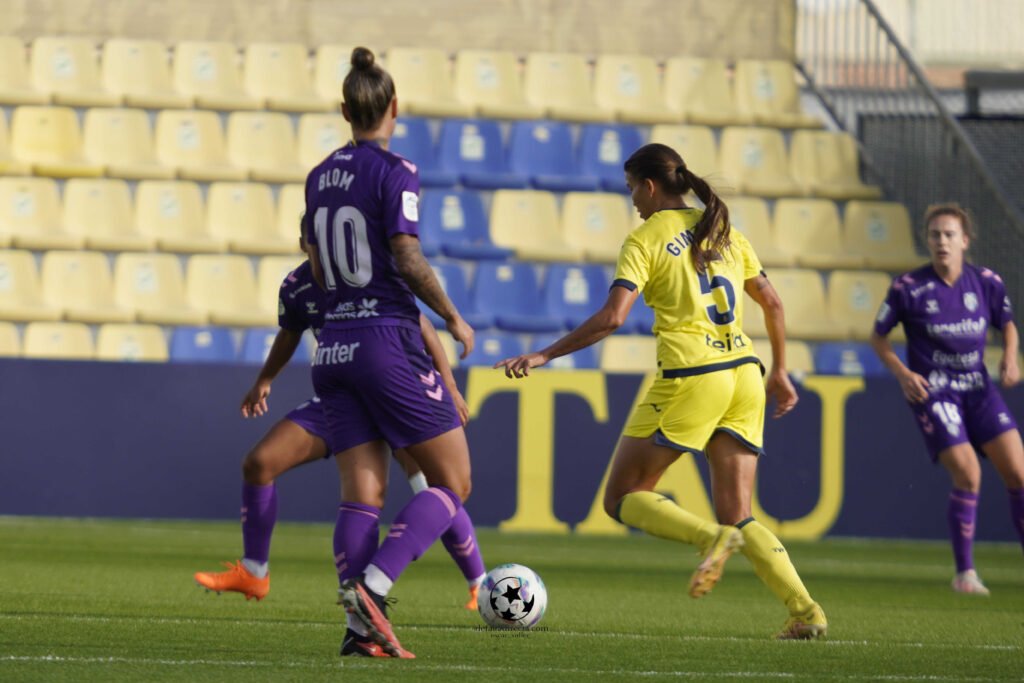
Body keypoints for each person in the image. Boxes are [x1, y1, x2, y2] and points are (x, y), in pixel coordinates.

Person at [495, 143, 827, 640]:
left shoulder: (644, 239)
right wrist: (780, 371)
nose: (632, 199)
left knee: (623, 496)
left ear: (650, 186)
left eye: (632, 188)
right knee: (741, 513)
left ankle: (709, 539)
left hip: (694, 376)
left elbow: (613, 317)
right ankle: (806, 612)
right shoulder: (724, 230)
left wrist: (544, 355)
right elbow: (773, 303)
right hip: (745, 373)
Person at [192, 239, 486, 612]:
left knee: (433, 483)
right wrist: (265, 380)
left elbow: (423, 328)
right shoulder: (297, 286)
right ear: (305, 243)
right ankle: (255, 571)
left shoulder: (369, 273)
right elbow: (290, 333)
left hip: (391, 386)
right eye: (314, 240)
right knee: (259, 463)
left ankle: (479, 583)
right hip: (344, 395)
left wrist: (449, 387)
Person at [304, 46, 475, 659]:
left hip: (333, 346)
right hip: (384, 338)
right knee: (452, 481)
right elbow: (406, 256)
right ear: (394, 107)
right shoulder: (396, 170)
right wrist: (451, 315)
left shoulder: (319, 175)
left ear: (344, 109)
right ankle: (373, 590)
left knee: (362, 495)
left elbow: (319, 264)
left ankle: (358, 633)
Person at [870, 203, 1024, 595]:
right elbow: (879, 337)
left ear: (965, 241)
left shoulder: (987, 282)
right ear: (928, 240)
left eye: (949, 234)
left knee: (1019, 474)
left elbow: (1007, 324)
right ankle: (965, 574)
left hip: (979, 387)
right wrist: (904, 374)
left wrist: (1010, 357)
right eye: (935, 234)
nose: (942, 241)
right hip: (935, 390)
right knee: (968, 472)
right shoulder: (908, 288)